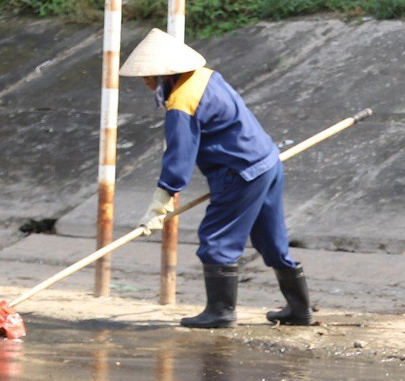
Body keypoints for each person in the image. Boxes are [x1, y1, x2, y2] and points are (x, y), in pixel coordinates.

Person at [122, 28, 313, 331]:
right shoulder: (207, 76)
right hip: (266, 162)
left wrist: (161, 199)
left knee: (217, 239)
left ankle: (220, 312)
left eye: (148, 77)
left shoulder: (182, 101)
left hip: (240, 173)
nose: (145, 83)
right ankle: (300, 310)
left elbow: (179, 154)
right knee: (271, 240)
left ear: (164, 74)